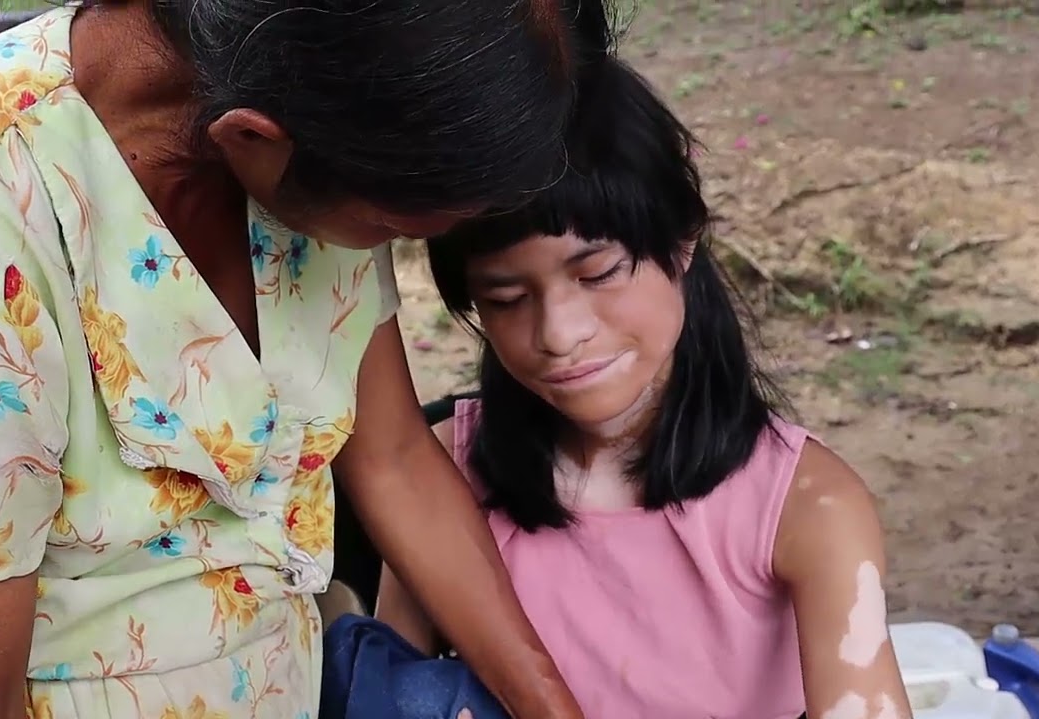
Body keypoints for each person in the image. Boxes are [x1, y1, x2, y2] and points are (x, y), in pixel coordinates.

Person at [0, 0, 615, 716]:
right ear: (254, 138)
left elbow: (395, 458)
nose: (385, 251)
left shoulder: (319, 114)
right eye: (393, 229)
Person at [372, 56, 915, 718]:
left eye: (598, 273)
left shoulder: (811, 508)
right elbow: (387, 690)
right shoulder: (438, 476)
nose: (560, 333)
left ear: (683, 239)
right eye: (507, 297)